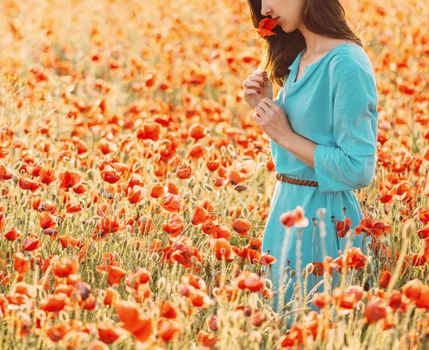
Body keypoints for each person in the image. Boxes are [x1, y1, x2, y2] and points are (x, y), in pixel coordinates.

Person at [242, 0, 379, 324]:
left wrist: (284, 133)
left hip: (324, 225)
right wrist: (266, 106)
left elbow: (359, 167)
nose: (264, 10)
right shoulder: (300, 59)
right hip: (284, 216)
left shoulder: (346, 63)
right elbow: (291, 161)